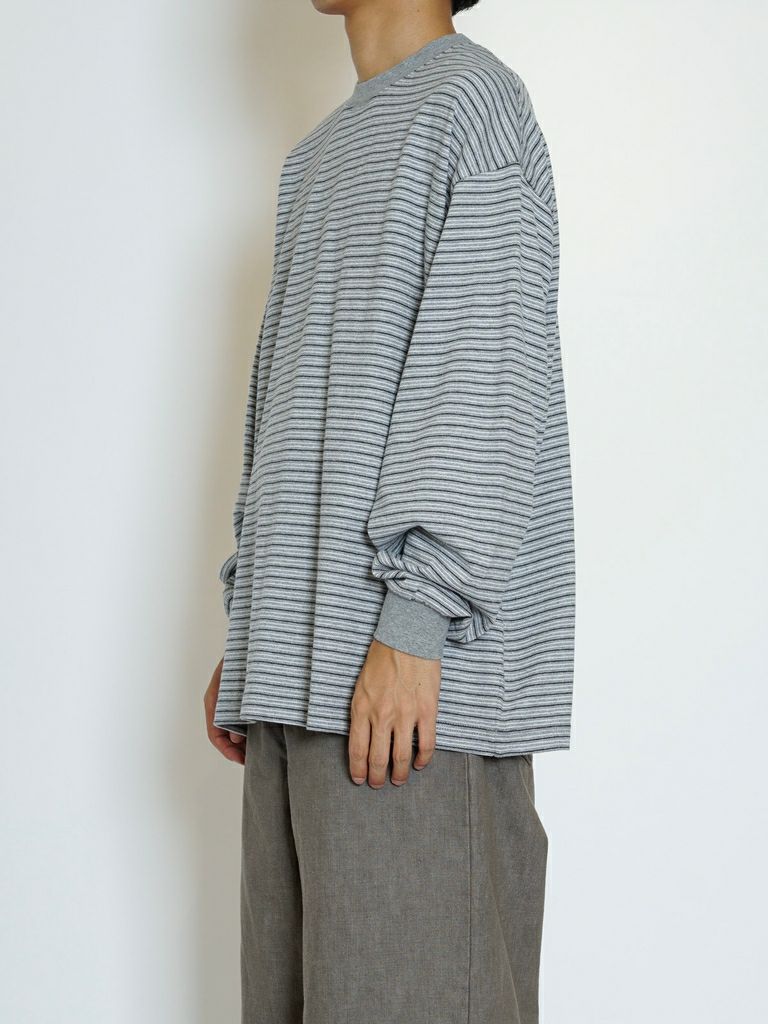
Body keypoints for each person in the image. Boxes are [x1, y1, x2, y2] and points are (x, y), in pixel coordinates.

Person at [204, 1, 575, 1021]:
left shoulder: (474, 104)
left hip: (410, 689)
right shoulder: (317, 156)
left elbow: (483, 377)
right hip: (298, 685)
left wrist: (417, 621)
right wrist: (255, 625)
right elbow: (290, 405)